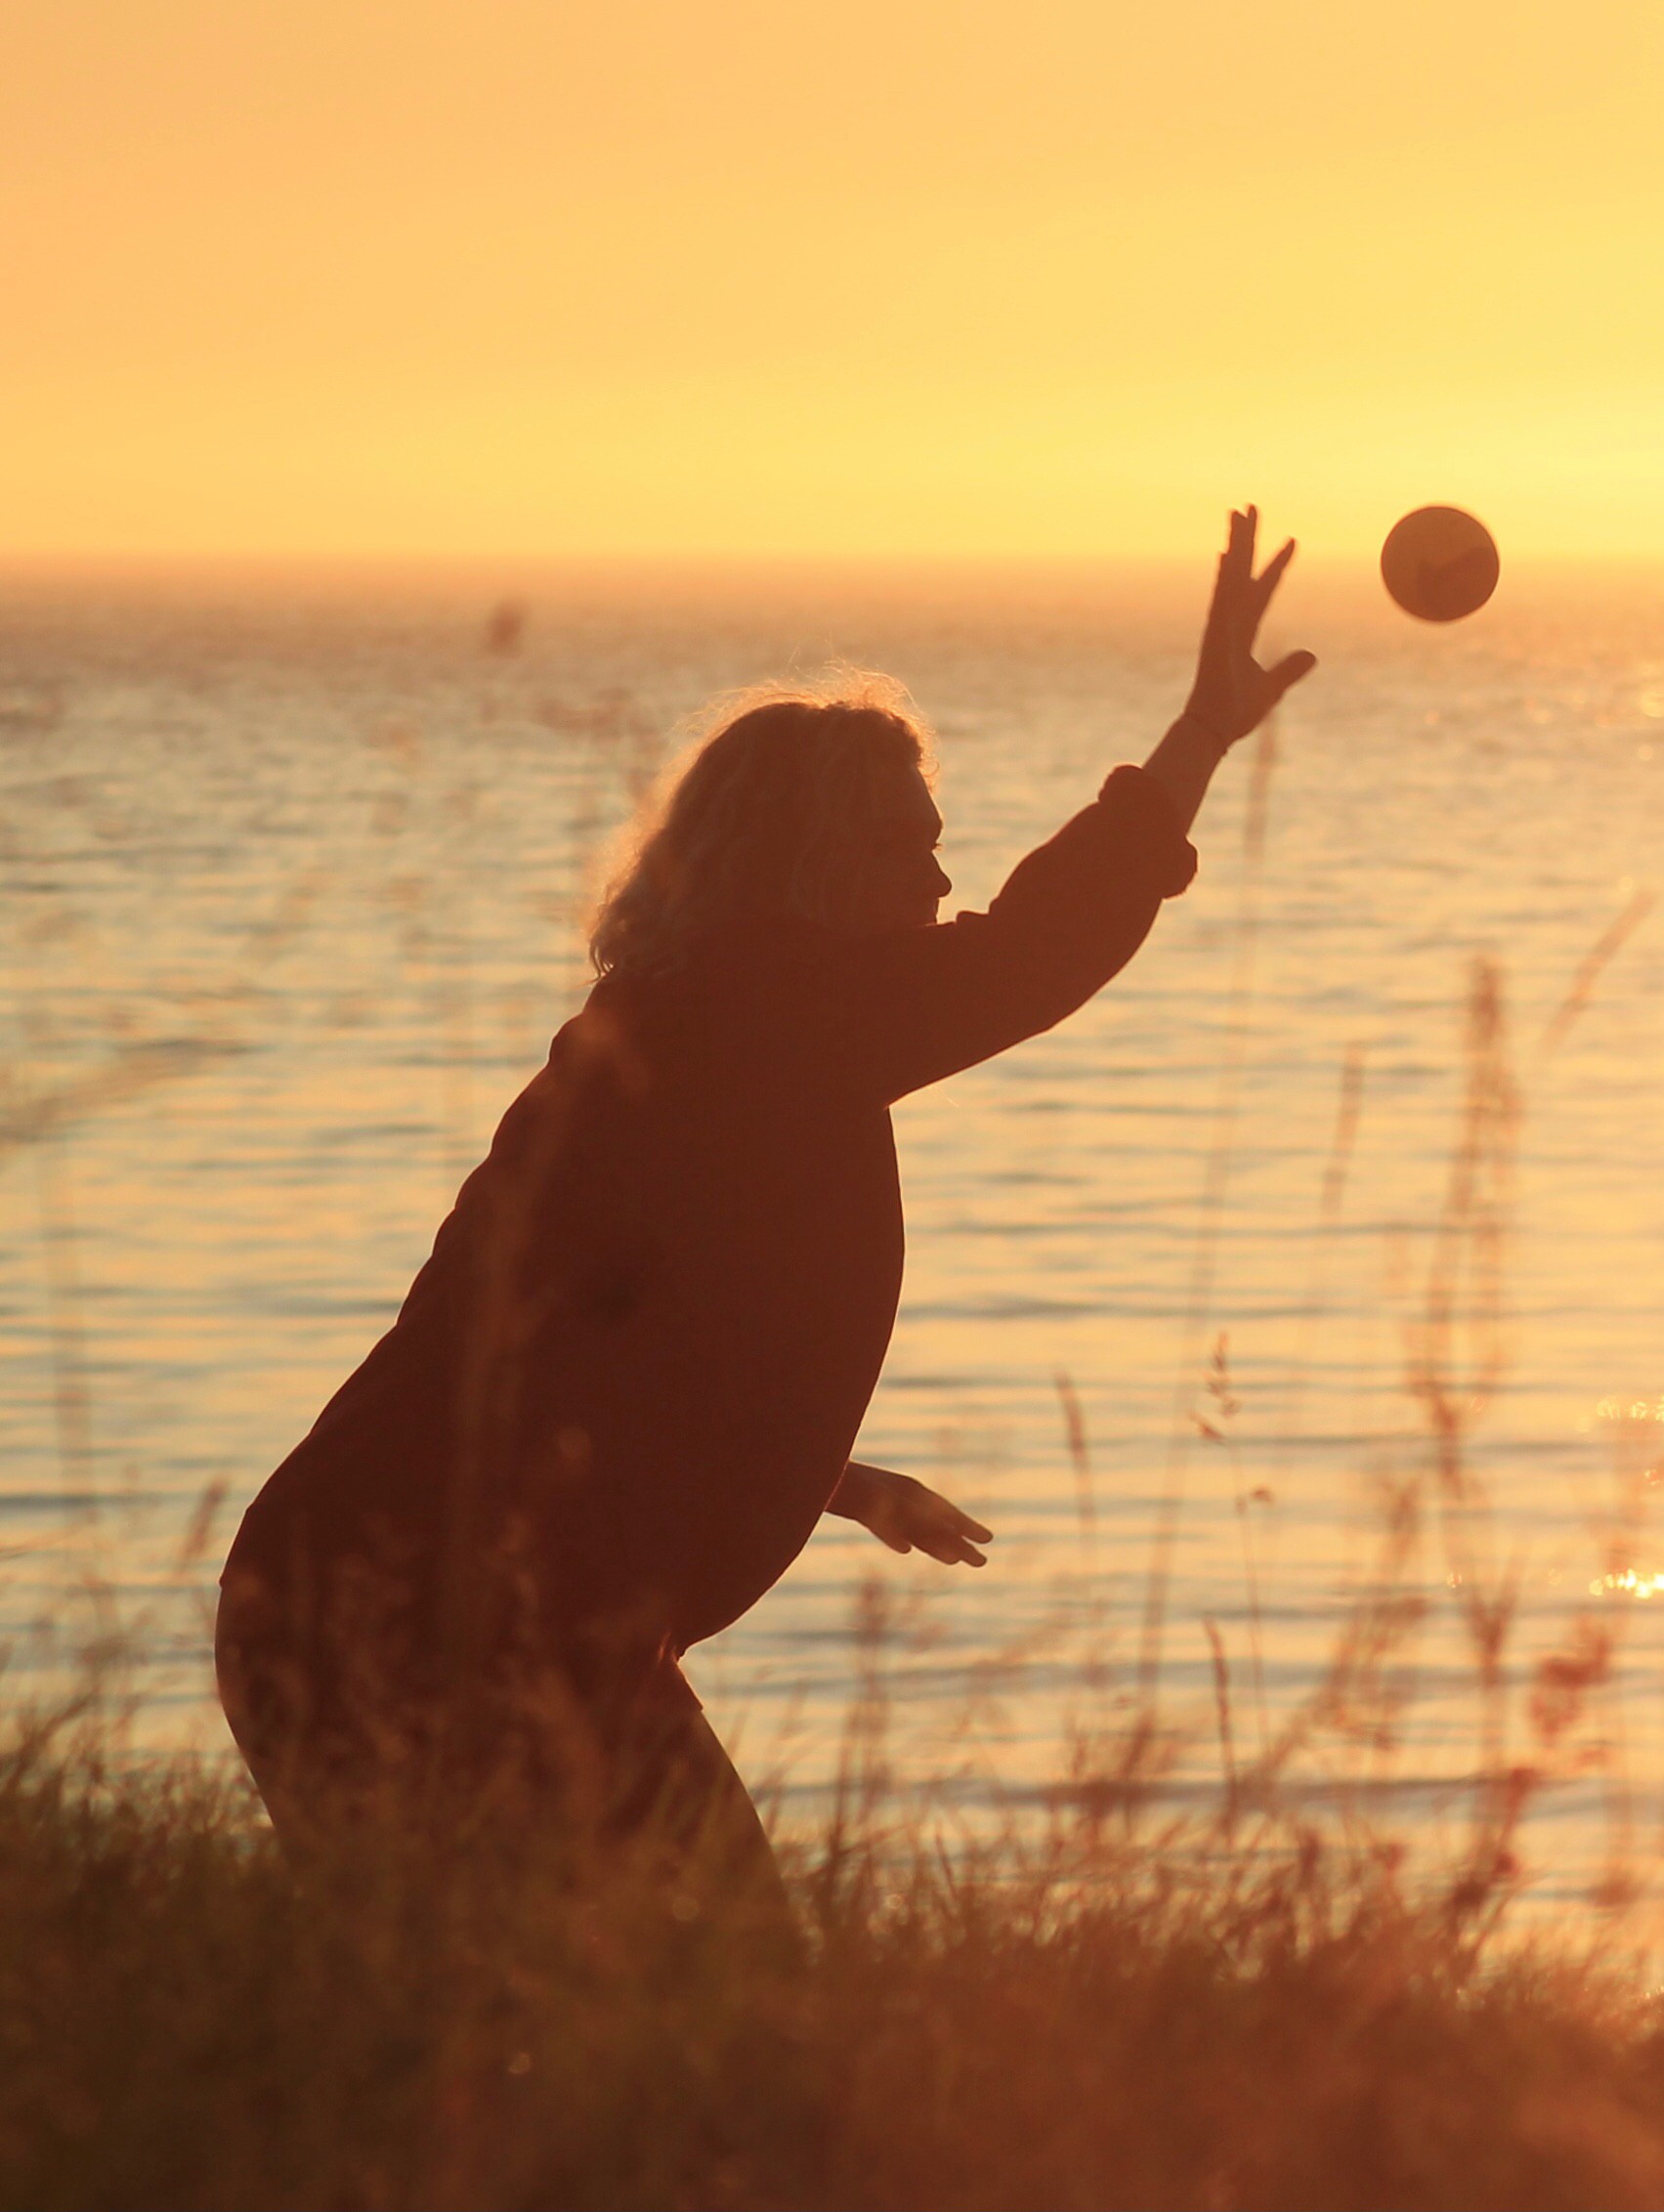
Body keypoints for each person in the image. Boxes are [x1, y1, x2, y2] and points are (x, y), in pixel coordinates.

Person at [215, 511, 1318, 1913]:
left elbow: (587, 1338)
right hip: (441, 1618)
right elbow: (1040, 948)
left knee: (505, 2029)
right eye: (895, 847)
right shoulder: (766, 1015)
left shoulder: (693, 1033)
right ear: (790, 867)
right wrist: (1200, 739)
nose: (934, 881)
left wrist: (833, 1479)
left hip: (373, 1597)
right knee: (696, 2007)